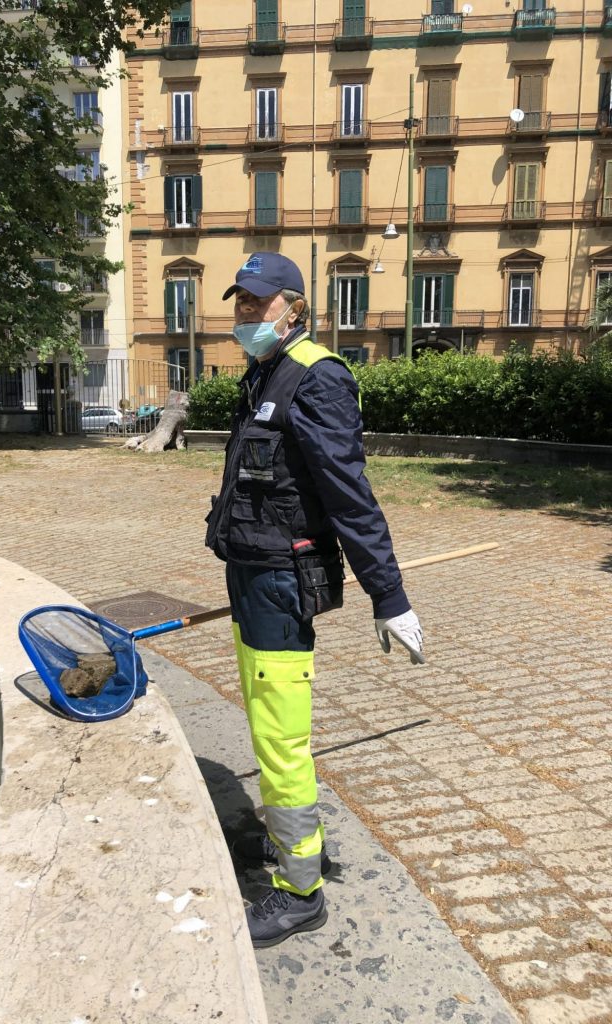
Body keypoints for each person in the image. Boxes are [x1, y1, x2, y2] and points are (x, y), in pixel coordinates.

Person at [205, 252, 425, 949]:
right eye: (240, 302)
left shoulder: (316, 377)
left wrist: (388, 595)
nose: (246, 313)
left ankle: (301, 892)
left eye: (259, 303)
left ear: (295, 308)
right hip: (250, 573)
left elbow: (348, 493)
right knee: (267, 726)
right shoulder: (264, 373)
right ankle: (296, 845)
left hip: (279, 581)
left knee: (280, 737)